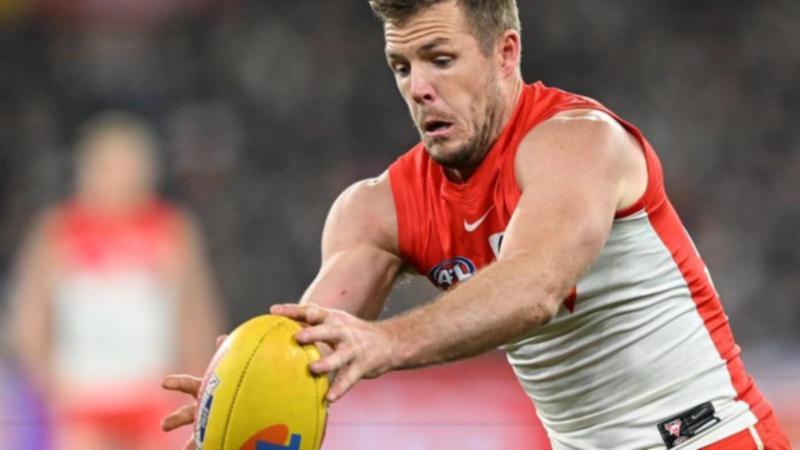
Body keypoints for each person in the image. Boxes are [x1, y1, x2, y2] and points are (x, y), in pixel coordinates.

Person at [162, 1, 791, 448]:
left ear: (505, 54)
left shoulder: (578, 145)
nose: (420, 88)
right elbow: (315, 346)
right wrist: (242, 395)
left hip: (709, 436)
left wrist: (389, 342)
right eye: (402, 67)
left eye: (441, 59)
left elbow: (534, 288)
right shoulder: (376, 209)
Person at [7, 111, 224, 450]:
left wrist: (199, 382)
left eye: (131, 165)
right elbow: (29, 318)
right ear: (88, 169)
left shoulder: (171, 229)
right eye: (111, 165)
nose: (121, 177)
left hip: (151, 394)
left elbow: (196, 314)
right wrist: (49, 381)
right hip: (83, 397)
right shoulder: (57, 232)